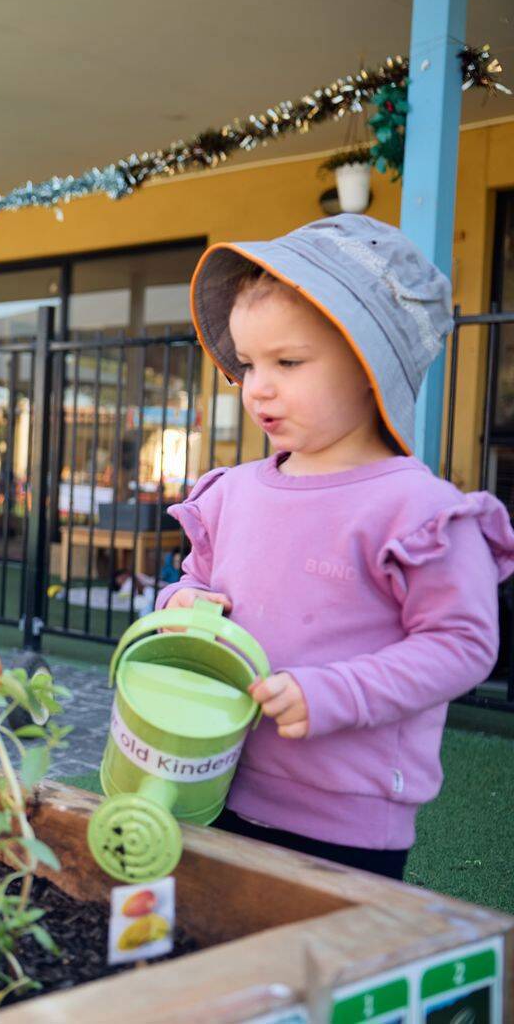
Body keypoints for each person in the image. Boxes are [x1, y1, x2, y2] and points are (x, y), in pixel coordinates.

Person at [160, 214, 514, 878]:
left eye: (288, 362)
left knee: (322, 970)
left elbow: (462, 644)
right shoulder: (234, 493)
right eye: (247, 363)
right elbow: (195, 583)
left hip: (345, 819)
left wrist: (333, 693)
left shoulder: (418, 512)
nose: (258, 386)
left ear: (368, 363)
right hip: (217, 778)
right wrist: (183, 605)